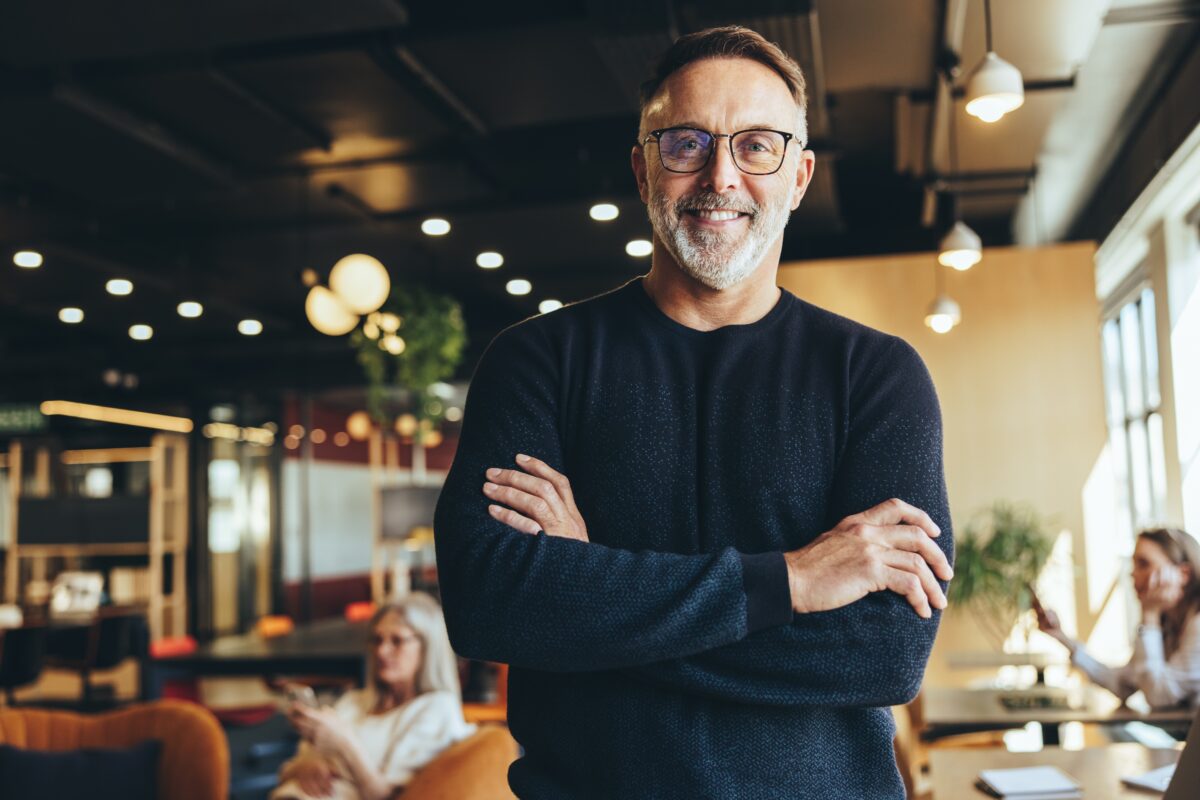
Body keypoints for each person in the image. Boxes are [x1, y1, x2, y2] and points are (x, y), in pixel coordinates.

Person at [434, 26, 954, 799]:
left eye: (757, 146)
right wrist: (792, 582)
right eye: (686, 143)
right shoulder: (536, 360)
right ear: (643, 167)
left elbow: (884, 657)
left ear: (800, 175)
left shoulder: (876, 375)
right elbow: (489, 605)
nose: (721, 176)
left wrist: (589, 586)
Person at [272, 593, 475, 800]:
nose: (382, 651)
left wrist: (344, 745)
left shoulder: (436, 708)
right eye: (377, 640)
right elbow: (285, 771)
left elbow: (387, 797)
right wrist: (304, 765)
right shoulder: (353, 701)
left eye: (397, 641)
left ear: (428, 647)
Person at [1037, 527, 1200, 709]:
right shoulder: (1167, 625)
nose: (1133, 573)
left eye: (1144, 564)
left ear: (1183, 574)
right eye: (1134, 564)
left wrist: (1150, 615)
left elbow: (1158, 695)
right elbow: (1122, 684)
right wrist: (1062, 637)